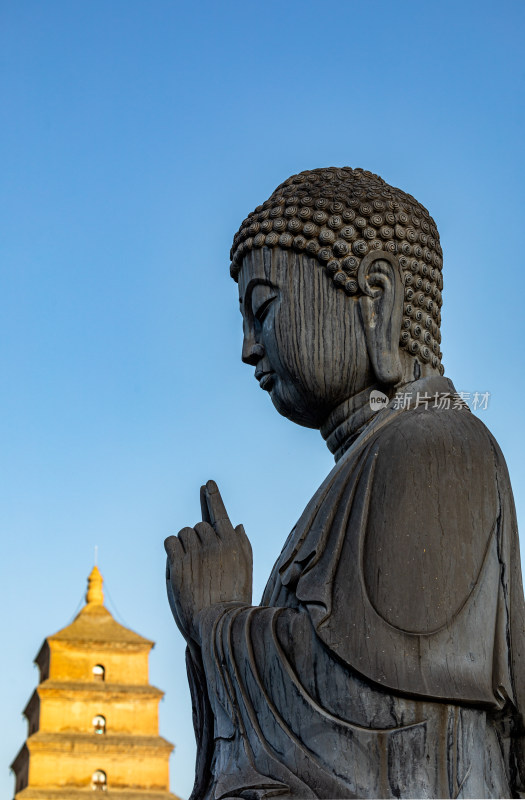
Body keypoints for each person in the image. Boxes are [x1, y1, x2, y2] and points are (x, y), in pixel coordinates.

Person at [166, 167, 525, 799]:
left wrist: (218, 618)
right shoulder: (367, 464)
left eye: (264, 310)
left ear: (376, 296)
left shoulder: (435, 443)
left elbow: (363, 704)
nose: (249, 348)